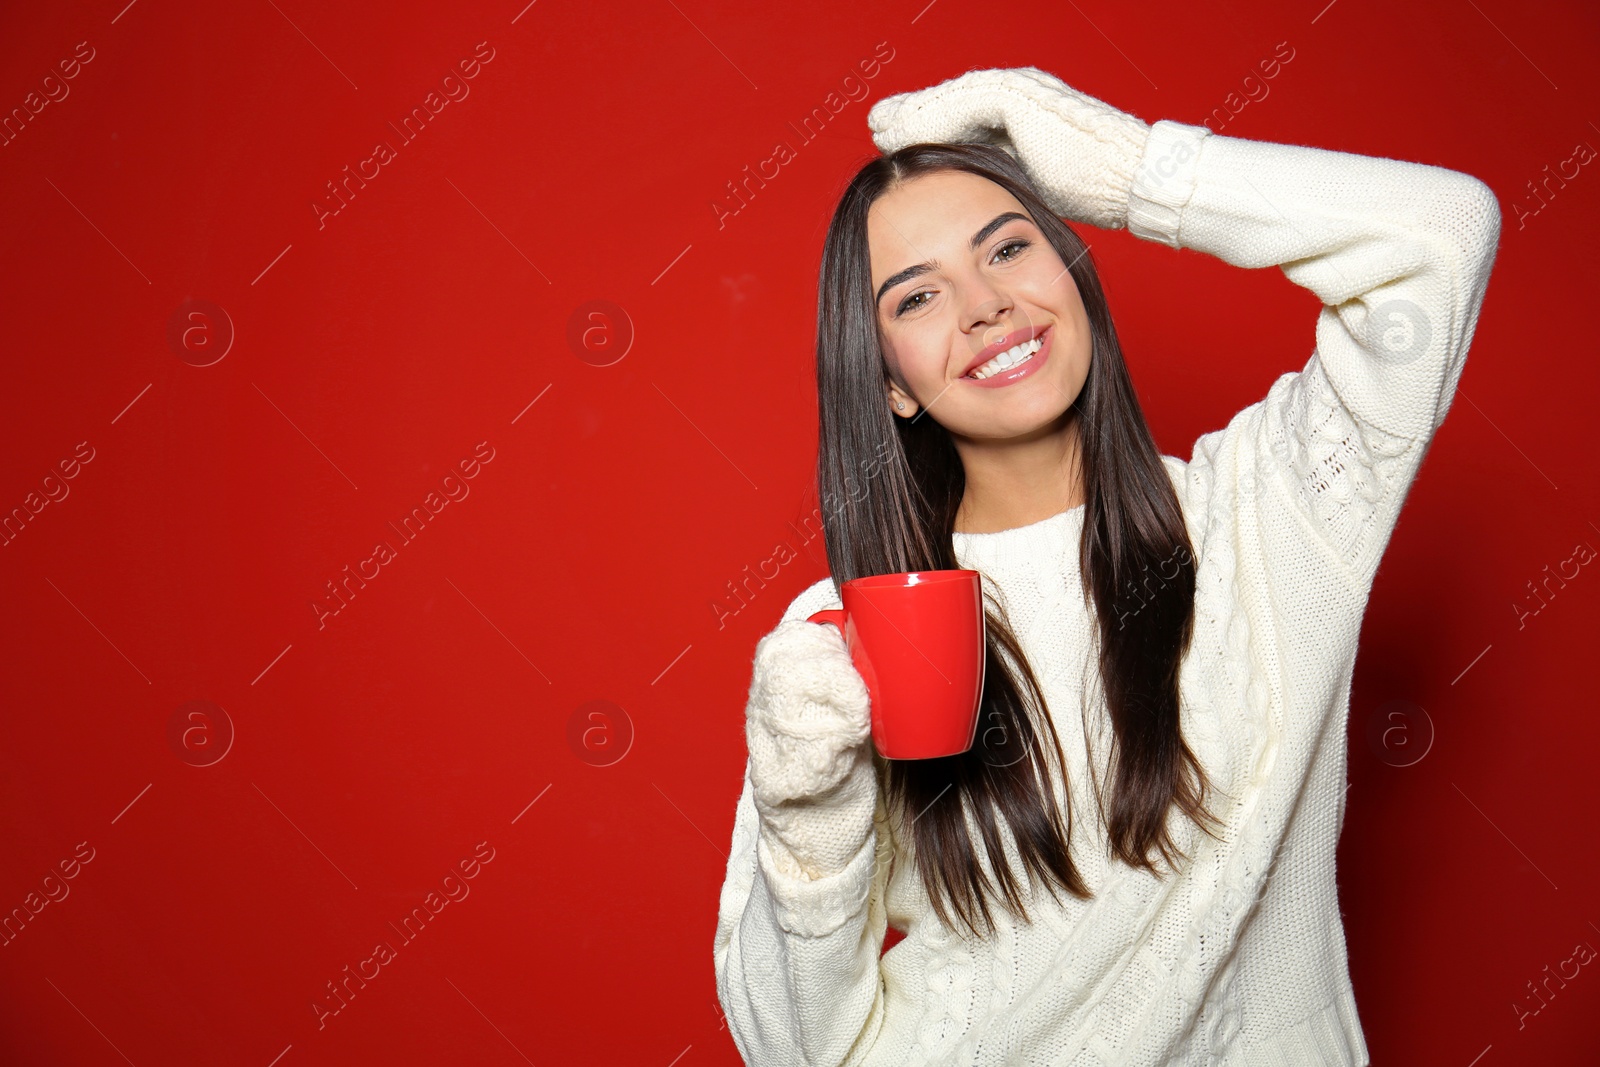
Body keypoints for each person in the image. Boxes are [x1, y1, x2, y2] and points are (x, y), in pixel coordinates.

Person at [713, 66, 1501, 1066]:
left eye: (1007, 247)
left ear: (1073, 268)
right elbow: (788, 1047)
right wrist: (809, 808)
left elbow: (1442, 238)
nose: (987, 304)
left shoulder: (1268, 509)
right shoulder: (843, 633)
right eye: (918, 296)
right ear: (890, 385)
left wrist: (1134, 171)